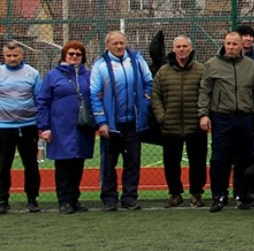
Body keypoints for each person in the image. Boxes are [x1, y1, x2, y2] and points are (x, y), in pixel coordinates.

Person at [198, 31, 254, 213]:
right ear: (224, 43)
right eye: (228, 43)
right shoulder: (212, 64)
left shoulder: (250, 65)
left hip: (245, 117)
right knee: (219, 159)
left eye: (234, 44)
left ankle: (241, 195)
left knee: (244, 158)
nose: (231, 47)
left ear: (241, 45)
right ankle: (219, 195)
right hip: (221, 117)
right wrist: (203, 114)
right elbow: (205, 91)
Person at [90, 30, 154, 211]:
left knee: (132, 161)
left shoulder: (136, 60)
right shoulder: (100, 65)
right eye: (115, 43)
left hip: (133, 122)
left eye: (121, 43)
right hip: (112, 124)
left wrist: (145, 102)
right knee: (109, 163)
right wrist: (101, 121)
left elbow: (149, 81)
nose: (119, 46)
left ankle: (130, 197)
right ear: (107, 46)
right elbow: (94, 94)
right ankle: (109, 198)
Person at [36, 41, 95, 214]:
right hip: (60, 126)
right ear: (64, 56)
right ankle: (64, 200)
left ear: (83, 57)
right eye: (71, 54)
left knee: (78, 163)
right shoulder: (53, 76)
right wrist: (44, 126)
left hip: (82, 127)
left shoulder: (89, 75)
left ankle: (75, 198)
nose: (74, 57)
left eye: (78, 54)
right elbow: (42, 101)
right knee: (63, 164)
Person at [151, 35, 208, 208]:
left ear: (190, 48)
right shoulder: (163, 71)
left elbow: (206, 93)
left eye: (185, 46)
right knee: (171, 163)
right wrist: (162, 117)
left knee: (198, 162)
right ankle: (175, 194)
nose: (182, 49)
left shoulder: (201, 70)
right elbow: (156, 96)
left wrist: (202, 115)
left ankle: (196, 194)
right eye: (178, 47)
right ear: (173, 49)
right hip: (171, 126)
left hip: (195, 125)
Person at [0, 41, 42, 213]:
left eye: (15, 55)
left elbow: (40, 99)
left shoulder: (32, 74)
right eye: (8, 56)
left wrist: (40, 123)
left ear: (22, 55)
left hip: (28, 126)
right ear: (4, 56)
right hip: (4, 127)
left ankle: (32, 199)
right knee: (3, 165)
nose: (12, 58)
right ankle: (2, 200)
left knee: (31, 164)